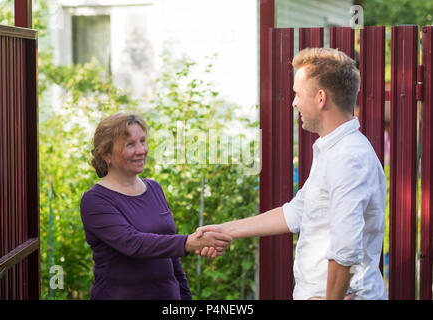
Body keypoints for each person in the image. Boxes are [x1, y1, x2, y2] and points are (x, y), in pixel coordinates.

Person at [196, 48, 387, 300]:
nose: (294, 102)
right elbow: (297, 212)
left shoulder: (348, 158)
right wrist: (224, 230)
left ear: (321, 98)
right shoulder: (332, 150)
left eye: (297, 94)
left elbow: (345, 249)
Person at [80, 112, 232, 300]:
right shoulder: (95, 200)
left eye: (142, 141)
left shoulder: (153, 188)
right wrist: (188, 243)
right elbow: (132, 243)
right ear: (106, 154)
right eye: (130, 144)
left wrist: (185, 297)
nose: (141, 150)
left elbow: (172, 257)